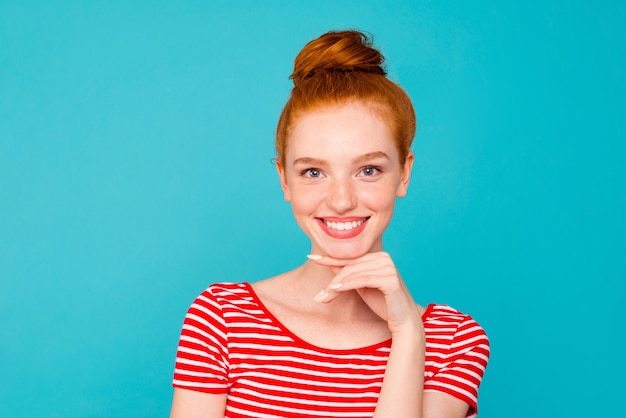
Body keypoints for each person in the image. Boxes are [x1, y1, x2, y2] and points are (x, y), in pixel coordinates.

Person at [170, 30, 490, 418]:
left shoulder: (453, 341)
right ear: (284, 180)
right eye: (313, 172)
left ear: (404, 174)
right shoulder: (222, 318)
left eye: (368, 169)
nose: (341, 201)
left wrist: (408, 334)